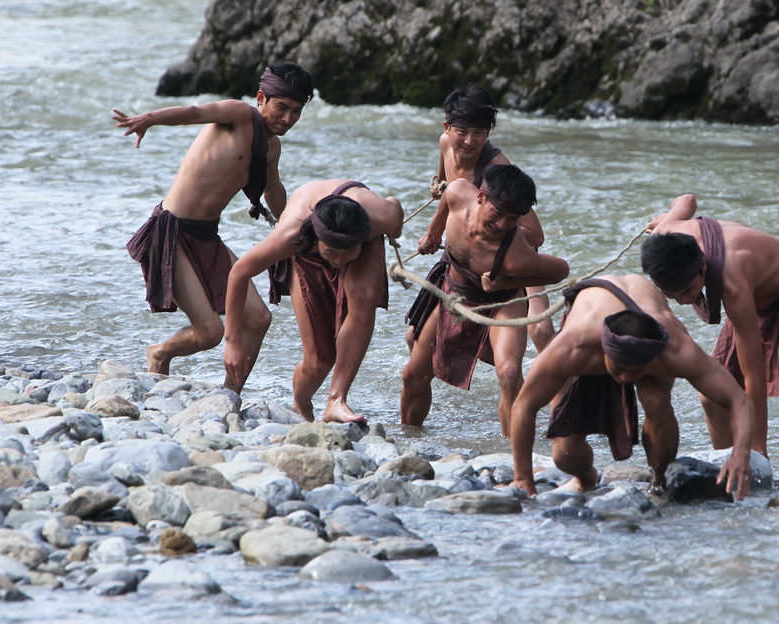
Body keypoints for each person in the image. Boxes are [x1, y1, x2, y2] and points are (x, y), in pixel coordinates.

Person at [117, 61, 313, 389]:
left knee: (258, 318)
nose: (288, 119)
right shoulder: (237, 115)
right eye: (282, 107)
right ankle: (160, 354)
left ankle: (229, 396)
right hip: (172, 233)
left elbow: (274, 192)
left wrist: (298, 232)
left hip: (208, 238)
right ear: (261, 97)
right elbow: (195, 111)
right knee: (210, 332)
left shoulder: (271, 148)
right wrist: (150, 119)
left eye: (296, 111)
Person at [642, 194, 779, 469]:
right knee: (710, 394)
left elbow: (752, 373)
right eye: (672, 296)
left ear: (703, 267)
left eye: (687, 291)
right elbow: (687, 199)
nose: (684, 301)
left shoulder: (732, 278)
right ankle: (725, 466)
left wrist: (757, 449)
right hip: (757, 297)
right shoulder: (665, 234)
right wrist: (665, 218)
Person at [509, 275, 755, 500]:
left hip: (646, 315)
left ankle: (659, 483)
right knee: (565, 455)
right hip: (593, 312)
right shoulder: (573, 347)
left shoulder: (676, 350)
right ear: (604, 352)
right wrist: (523, 478)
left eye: (636, 370)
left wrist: (740, 454)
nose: (625, 378)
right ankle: (586, 479)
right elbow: (524, 405)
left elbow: (739, 401)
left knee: (657, 399)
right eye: (618, 369)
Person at [401, 164, 570, 436]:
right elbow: (445, 200)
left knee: (510, 373)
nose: (502, 225)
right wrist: (432, 235)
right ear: (481, 197)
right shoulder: (456, 192)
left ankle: (513, 452)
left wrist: (508, 282)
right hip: (453, 291)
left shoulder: (517, 253)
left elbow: (562, 269)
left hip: (502, 301)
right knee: (413, 374)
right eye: (498, 213)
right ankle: (408, 441)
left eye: (512, 219)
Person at [223, 179, 403, 424]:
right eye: (332, 253)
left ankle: (336, 400)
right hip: (308, 247)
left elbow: (394, 205)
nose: (339, 262)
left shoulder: (380, 217)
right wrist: (233, 341)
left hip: (357, 227)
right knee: (320, 359)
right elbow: (238, 273)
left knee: (364, 296)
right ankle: (301, 403)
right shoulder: (292, 235)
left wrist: (394, 233)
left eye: (347, 253)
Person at [416, 86, 556, 353]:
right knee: (418, 335)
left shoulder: (497, 168)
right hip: (467, 249)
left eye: (478, 133)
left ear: (488, 133)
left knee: (540, 328)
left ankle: (563, 388)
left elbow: (535, 234)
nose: (469, 141)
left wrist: (489, 233)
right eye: (462, 132)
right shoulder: (445, 142)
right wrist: (439, 189)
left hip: (512, 253)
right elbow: (448, 185)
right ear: (447, 128)